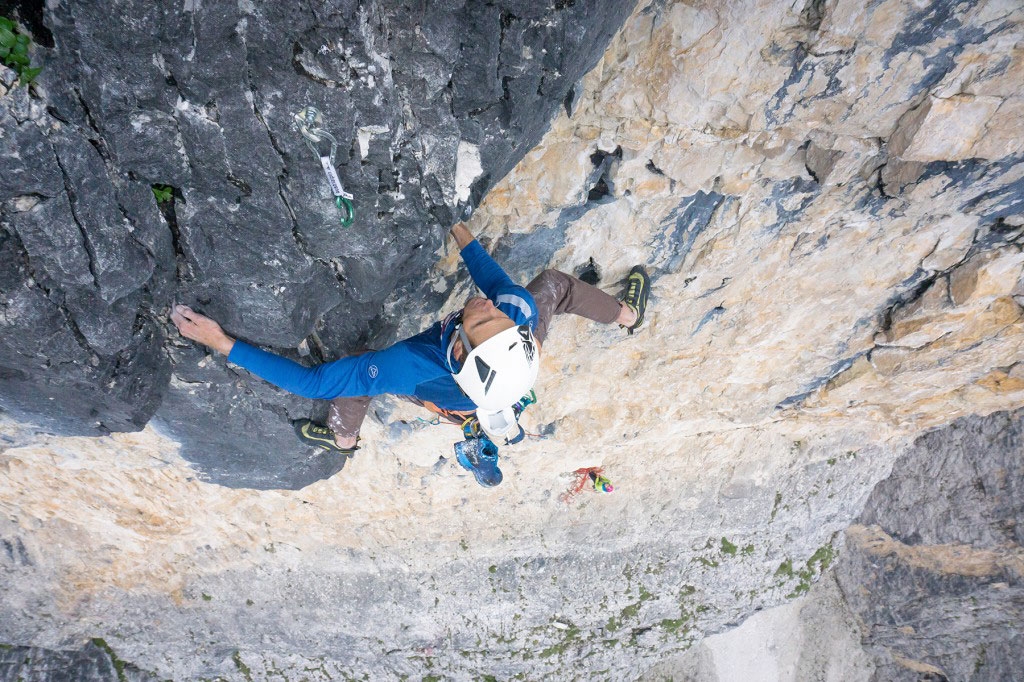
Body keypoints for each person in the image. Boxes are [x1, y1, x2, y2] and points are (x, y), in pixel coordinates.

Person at [171, 221, 650, 486]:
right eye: (498, 319)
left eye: (480, 322)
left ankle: (341, 443)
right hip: (506, 372)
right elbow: (492, 282)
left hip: (451, 390)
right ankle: (628, 316)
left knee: (357, 371)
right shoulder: (516, 314)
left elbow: (310, 382)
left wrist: (221, 342)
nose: (486, 307)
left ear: (459, 350)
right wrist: (457, 228)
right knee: (553, 287)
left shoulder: (414, 371)